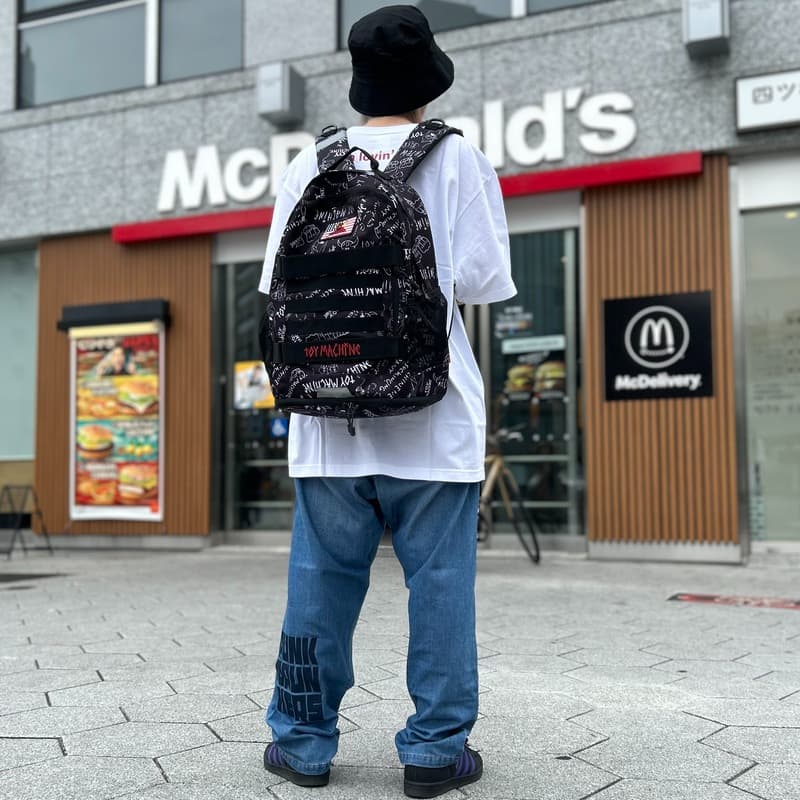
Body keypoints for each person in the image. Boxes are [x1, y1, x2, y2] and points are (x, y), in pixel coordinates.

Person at [258, 6, 516, 797]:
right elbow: (482, 283)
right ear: (428, 83)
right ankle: (435, 751)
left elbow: (276, 287)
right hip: (434, 418)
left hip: (327, 420)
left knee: (319, 588)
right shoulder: (457, 159)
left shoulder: (312, 164)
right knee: (439, 589)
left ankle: (303, 744)